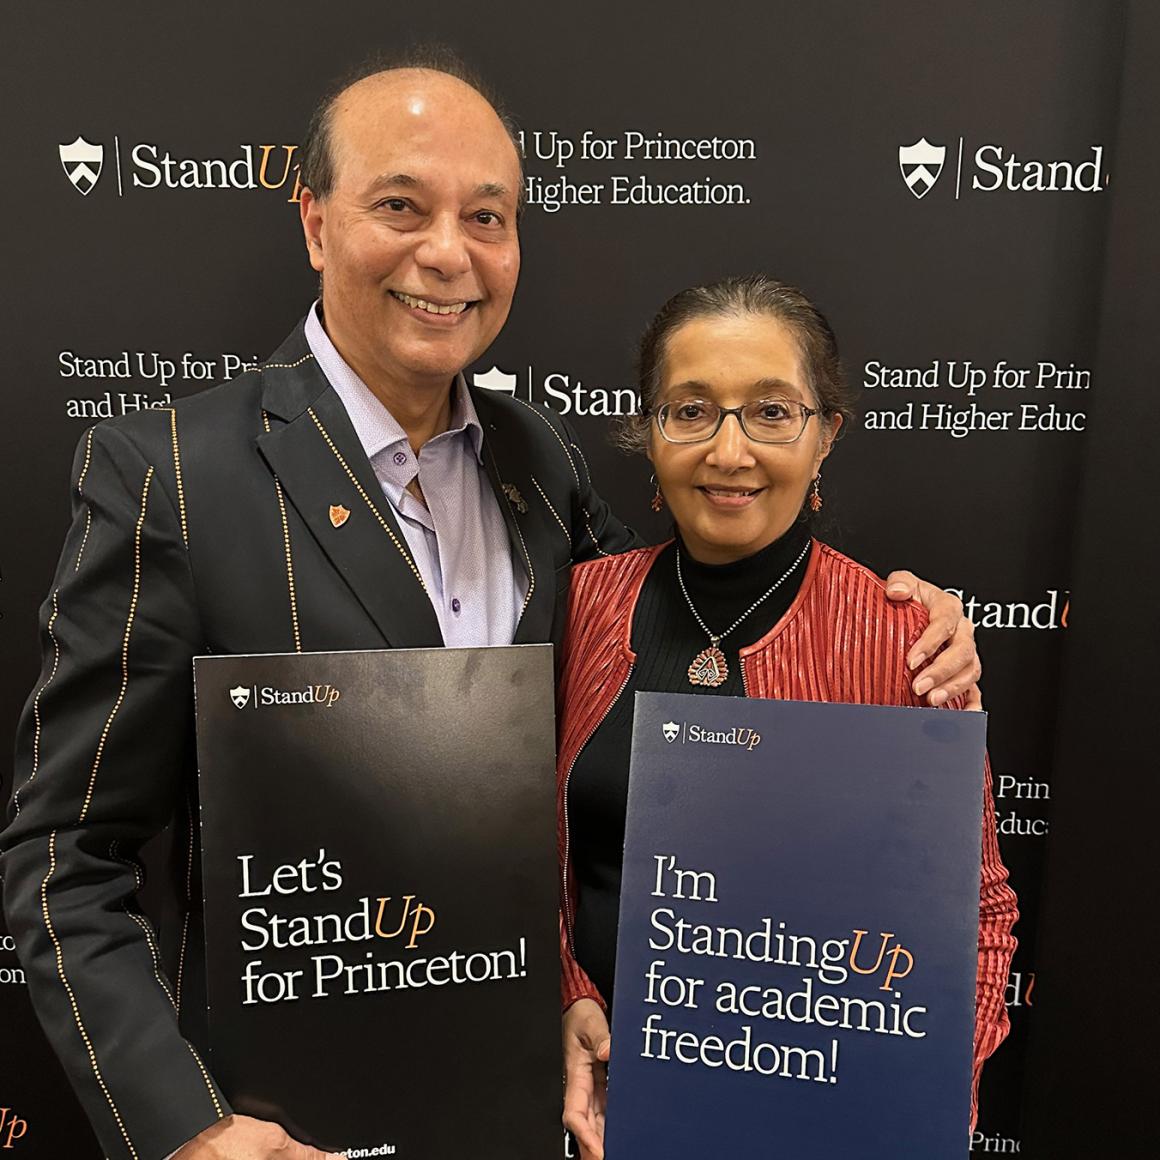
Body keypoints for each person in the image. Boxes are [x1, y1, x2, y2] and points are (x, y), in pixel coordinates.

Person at [1, 54, 982, 1160]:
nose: (447, 253)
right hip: (290, 1122)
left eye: (487, 216)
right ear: (316, 221)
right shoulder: (166, 473)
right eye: (400, 206)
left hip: (530, 1102)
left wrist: (915, 621)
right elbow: (65, 855)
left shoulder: (538, 456)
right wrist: (184, 1127)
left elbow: (683, 602)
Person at [556, 276, 1018, 1159]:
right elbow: (520, 860)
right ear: (650, 432)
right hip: (593, 1117)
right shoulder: (576, 609)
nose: (729, 450)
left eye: (771, 412)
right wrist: (567, 996)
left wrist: (909, 1109)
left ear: (825, 437)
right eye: (691, 410)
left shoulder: (907, 642)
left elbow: (977, 918)